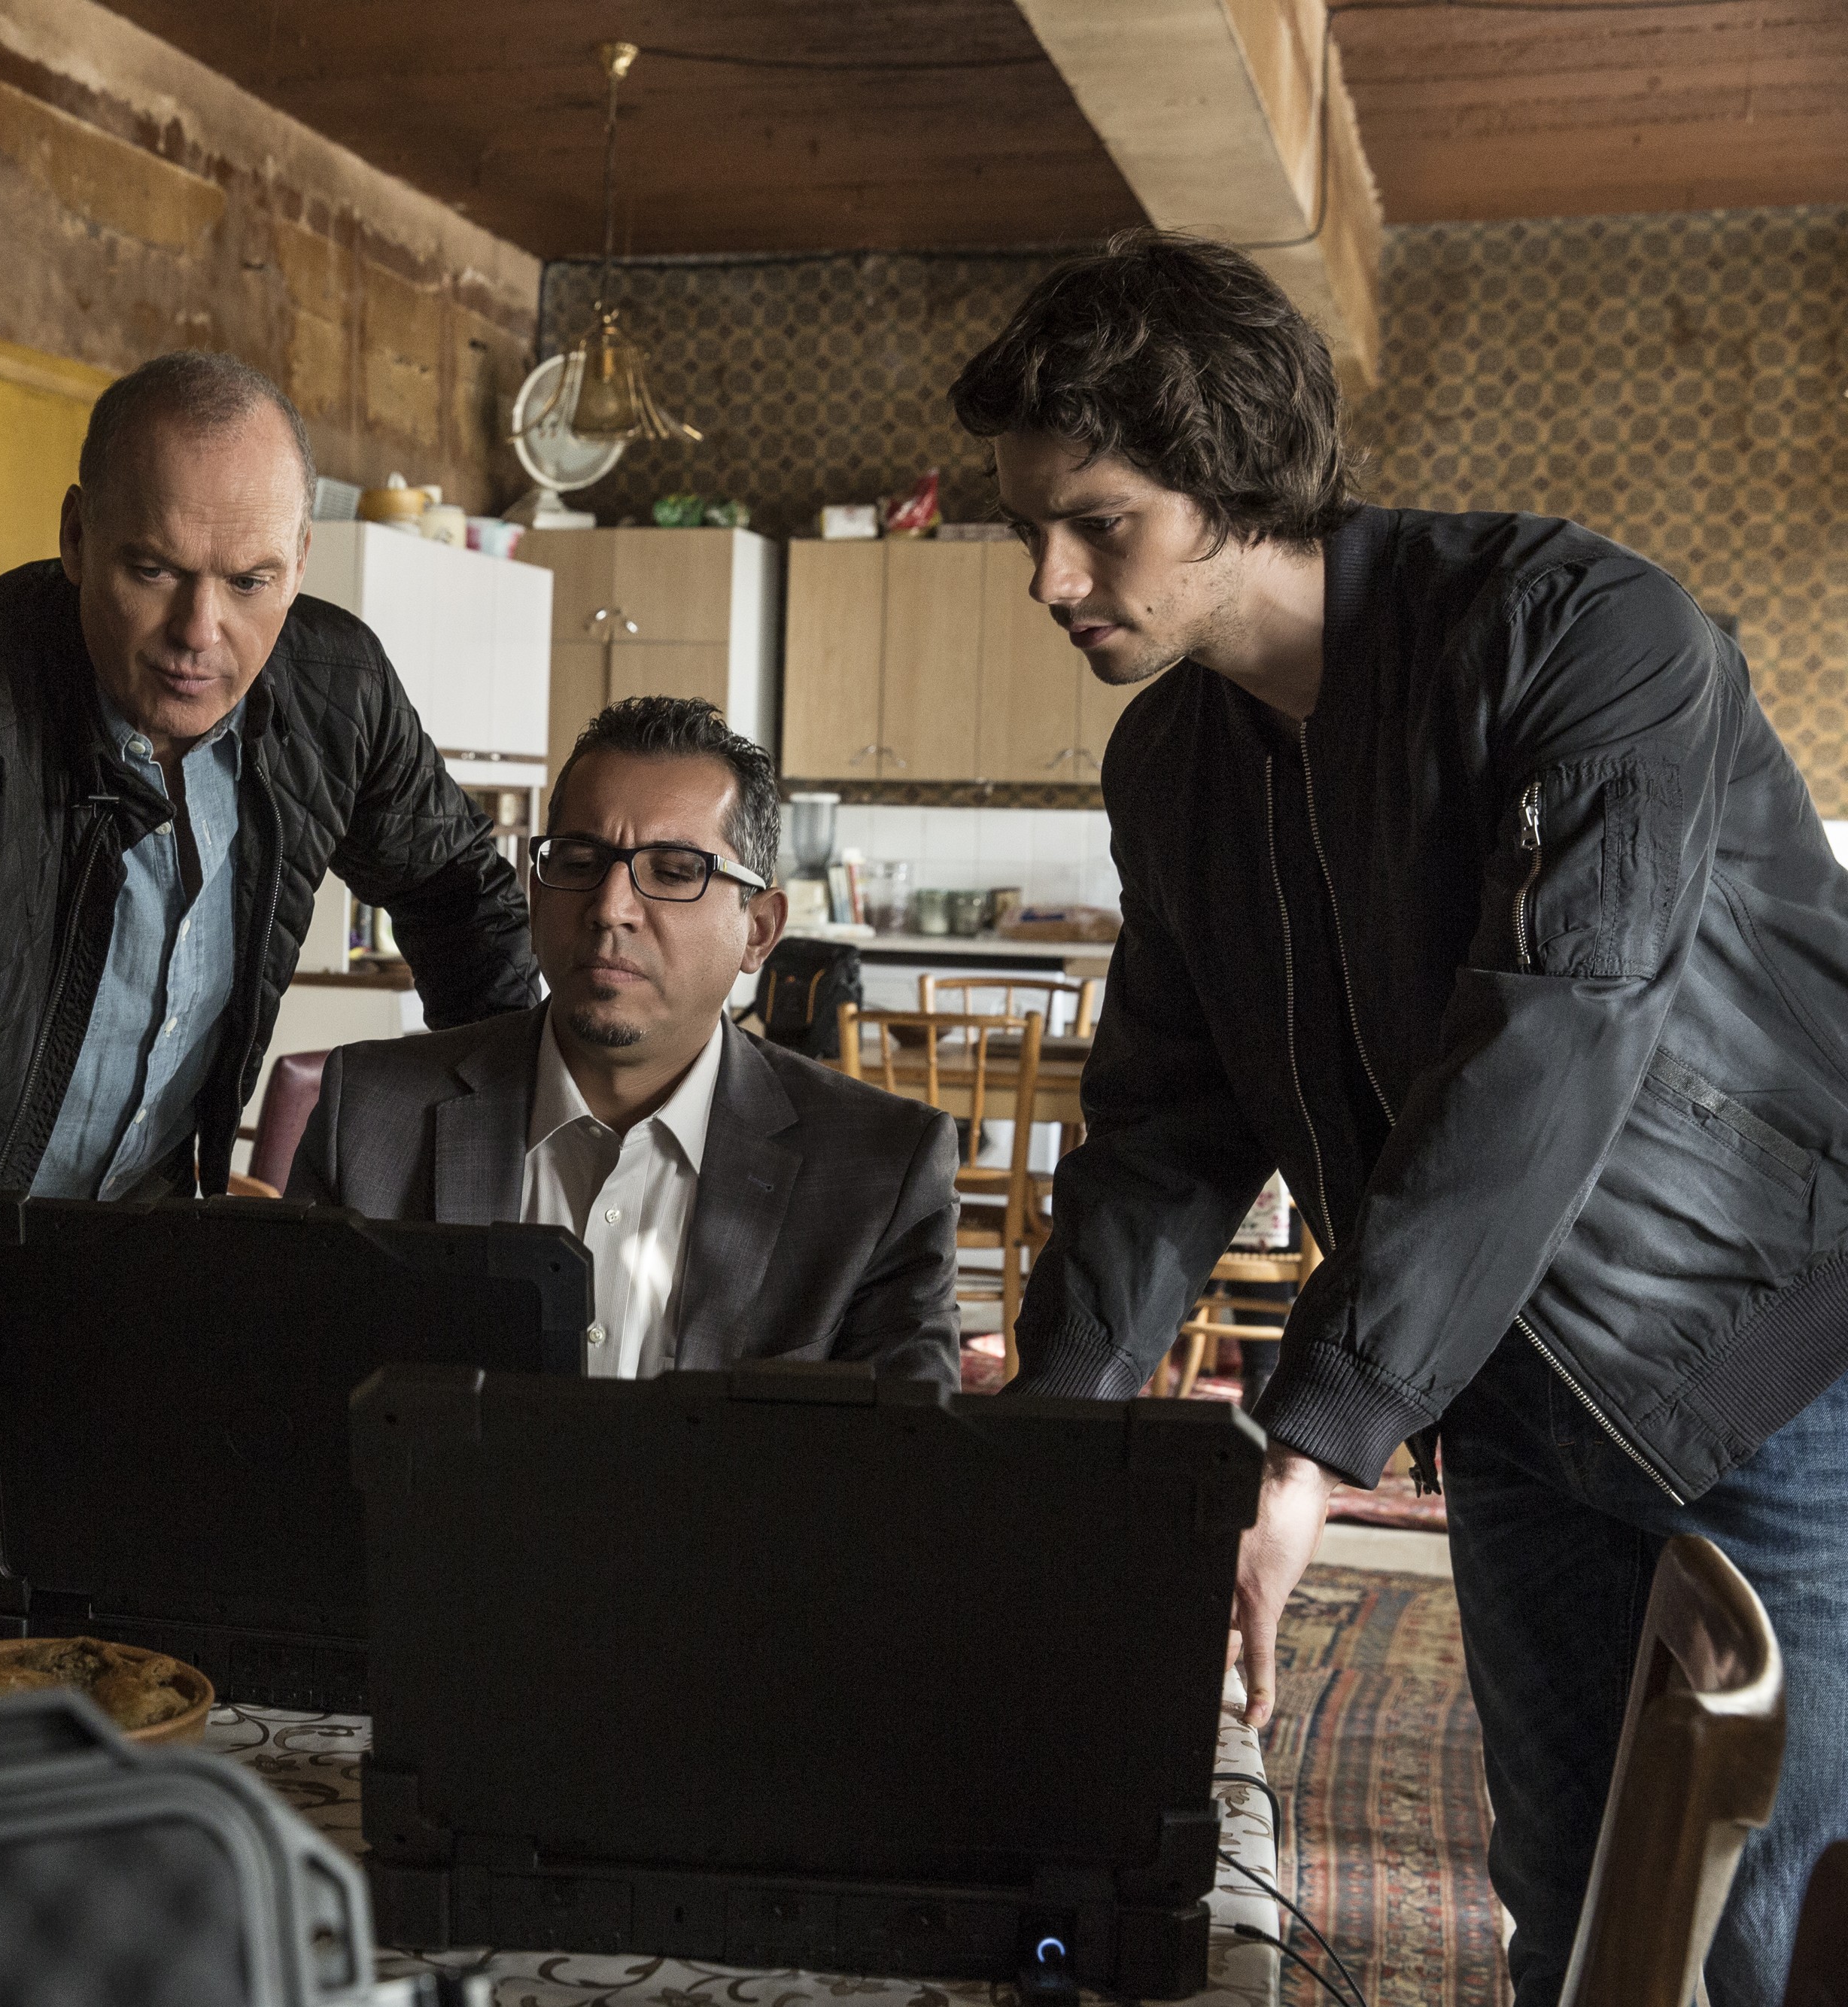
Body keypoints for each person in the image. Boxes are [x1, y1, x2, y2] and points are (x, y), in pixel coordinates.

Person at [954, 230, 1848, 2000]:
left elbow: (1549, 1043)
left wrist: (1309, 1439)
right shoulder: (1170, 763)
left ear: (1232, 479)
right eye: (1026, 531)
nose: (1049, 579)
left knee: (1769, 1933)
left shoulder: (1585, 634)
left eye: (1099, 523)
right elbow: (1160, 1128)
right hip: (1503, 1400)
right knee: (1570, 1914)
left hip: (1773, 1378)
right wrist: (1043, 1455)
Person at [0, 351, 539, 1562]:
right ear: (77, 537)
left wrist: (512, 1167)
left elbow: (465, 900)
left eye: (250, 581)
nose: (201, 632)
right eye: (154, 570)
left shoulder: (336, 690)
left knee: (115, 1611)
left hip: (121, 1266)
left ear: (300, 563)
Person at [284, 697, 959, 1387]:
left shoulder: (880, 1172)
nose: (610, 908)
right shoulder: (370, 1116)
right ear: (535, 894)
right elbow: (293, 1402)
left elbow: (904, 1450)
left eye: (674, 871)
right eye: (579, 861)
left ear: (758, 929)